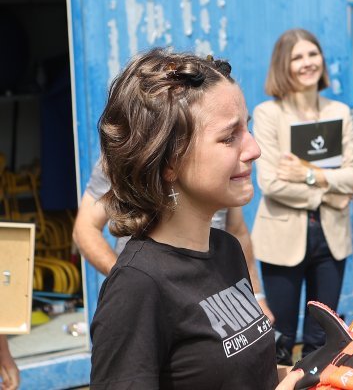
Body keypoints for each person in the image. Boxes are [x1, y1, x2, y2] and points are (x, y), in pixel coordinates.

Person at [89, 48, 302, 389]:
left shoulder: (226, 251)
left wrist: (306, 376)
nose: (254, 148)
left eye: (246, 129)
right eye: (229, 136)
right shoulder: (137, 287)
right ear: (169, 161)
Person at [251, 28, 353, 362]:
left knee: (323, 337)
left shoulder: (338, 112)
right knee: (281, 337)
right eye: (297, 57)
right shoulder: (268, 115)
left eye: (312, 54)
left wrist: (308, 174)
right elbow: (271, 183)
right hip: (282, 239)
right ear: (282, 65)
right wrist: (328, 192)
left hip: (332, 241)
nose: (307, 63)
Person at [73, 160, 274, 321]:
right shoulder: (126, 156)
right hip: (151, 301)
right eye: (228, 136)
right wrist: (133, 280)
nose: (251, 149)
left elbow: (237, 229)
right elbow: (85, 229)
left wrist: (255, 295)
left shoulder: (224, 163)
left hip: (213, 294)